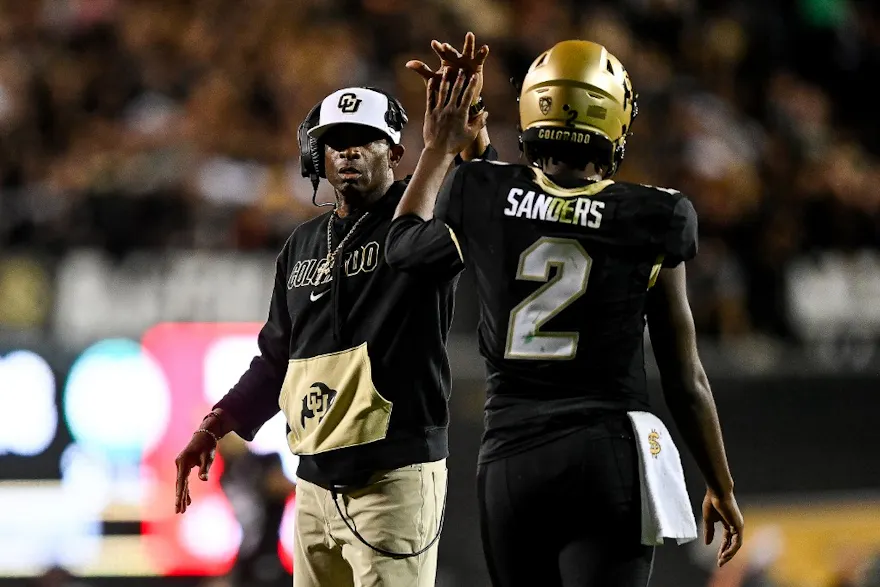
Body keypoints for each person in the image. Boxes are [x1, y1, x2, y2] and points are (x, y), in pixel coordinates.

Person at [386, 40, 745, 586]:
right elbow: (685, 377)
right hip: (605, 452)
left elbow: (406, 243)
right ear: (615, 118)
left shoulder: (481, 190)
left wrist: (441, 143)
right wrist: (720, 483)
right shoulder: (654, 214)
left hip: (510, 459)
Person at [173, 43, 494, 586]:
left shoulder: (416, 228)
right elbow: (275, 360)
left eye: (364, 140)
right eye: (334, 143)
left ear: (394, 151)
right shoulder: (300, 245)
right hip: (315, 484)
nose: (348, 152)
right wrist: (216, 424)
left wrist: (470, 148)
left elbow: (487, 212)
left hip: (394, 478)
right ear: (315, 157)